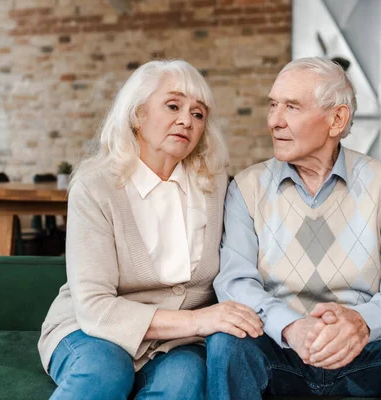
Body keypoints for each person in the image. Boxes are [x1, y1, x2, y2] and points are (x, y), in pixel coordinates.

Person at [206, 57, 381, 399]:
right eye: (273, 105)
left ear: (337, 119)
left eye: (292, 107)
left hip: (368, 353)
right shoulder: (247, 188)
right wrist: (291, 326)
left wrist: (362, 323)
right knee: (227, 340)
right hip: (281, 352)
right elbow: (235, 282)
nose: (274, 121)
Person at [38, 59, 263, 400]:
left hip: (174, 342)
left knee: (184, 383)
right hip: (91, 328)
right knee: (105, 373)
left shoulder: (215, 184)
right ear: (137, 114)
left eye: (198, 114)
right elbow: (95, 307)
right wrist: (199, 322)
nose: (186, 120)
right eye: (173, 106)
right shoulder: (95, 185)